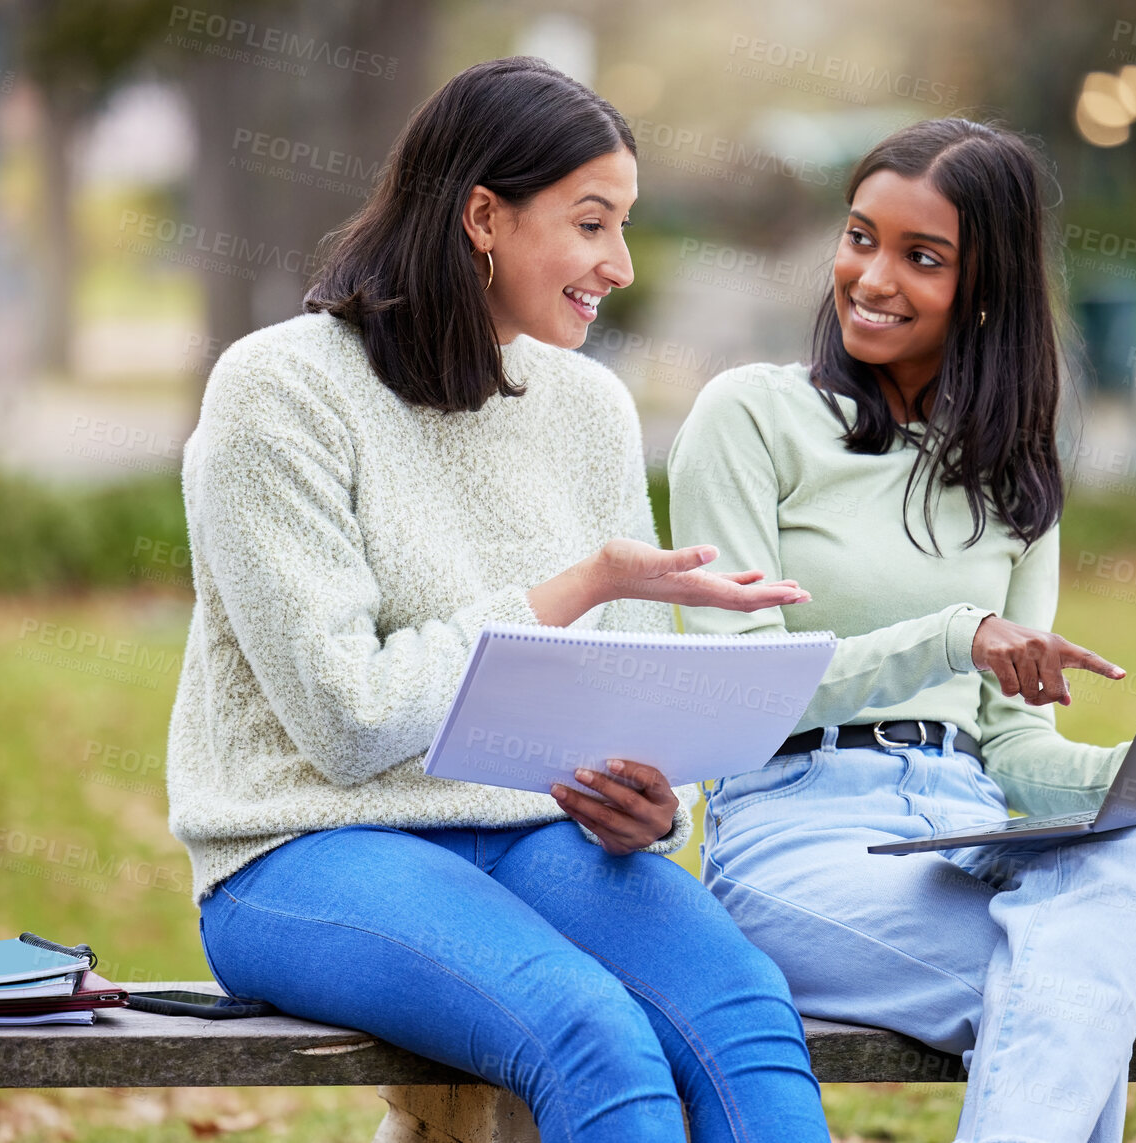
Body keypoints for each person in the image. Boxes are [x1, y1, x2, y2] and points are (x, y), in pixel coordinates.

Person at [166, 57, 831, 1143]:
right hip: (301, 847)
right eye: (590, 223)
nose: (617, 264)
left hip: (539, 835)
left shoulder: (589, 405)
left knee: (747, 1016)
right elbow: (347, 721)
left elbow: (622, 692)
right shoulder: (278, 391)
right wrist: (579, 586)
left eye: (623, 226)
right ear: (483, 215)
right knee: (590, 1033)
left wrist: (654, 806)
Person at [666, 118, 1136, 1143]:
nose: (872, 276)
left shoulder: (1014, 468)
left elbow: (1014, 749)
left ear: (986, 286)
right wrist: (952, 634)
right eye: (861, 237)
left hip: (966, 826)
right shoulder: (751, 418)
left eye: (922, 258)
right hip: (797, 834)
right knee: (1074, 991)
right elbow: (730, 694)